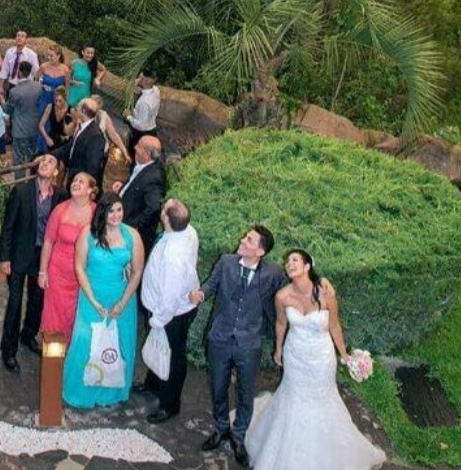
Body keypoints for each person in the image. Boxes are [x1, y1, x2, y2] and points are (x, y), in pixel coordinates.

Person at [246, 249, 383, 470]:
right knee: (293, 397)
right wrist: (278, 349)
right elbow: (281, 323)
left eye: (295, 260)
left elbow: (334, 325)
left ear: (307, 266)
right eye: (287, 260)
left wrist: (344, 355)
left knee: (322, 398)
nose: (289, 263)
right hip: (295, 355)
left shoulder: (326, 293)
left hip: (321, 357)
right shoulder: (282, 296)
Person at [189, 225, 294, 464]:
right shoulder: (226, 262)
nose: (242, 240)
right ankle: (220, 428)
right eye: (245, 237)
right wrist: (200, 294)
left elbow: (293, 290)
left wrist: (317, 284)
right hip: (219, 338)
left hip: (249, 343)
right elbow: (210, 284)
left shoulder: (273, 273)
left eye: (249, 240)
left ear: (260, 251)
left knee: (246, 393)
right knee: (218, 387)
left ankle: (238, 436)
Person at [63, 192, 144, 409]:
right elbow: (79, 267)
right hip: (92, 294)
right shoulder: (88, 233)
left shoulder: (132, 235)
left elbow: (137, 271)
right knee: (85, 341)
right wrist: (92, 300)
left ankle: (112, 391)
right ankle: (81, 391)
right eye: (111, 211)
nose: (116, 215)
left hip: (121, 296)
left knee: (119, 343)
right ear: (102, 212)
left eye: (119, 210)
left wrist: (122, 303)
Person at [0, 152, 66, 374]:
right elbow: (8, 226)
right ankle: (8, 350)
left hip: (43, 259)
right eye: (43, 160)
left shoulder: (61, 197)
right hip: (19, 255)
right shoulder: (21, 191)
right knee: (15, 303)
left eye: (50, 161)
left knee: (37, 301)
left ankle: (28, 336)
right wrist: (4, 257)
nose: (44, 163)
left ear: (56, 172)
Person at [139, 199, 200, 423]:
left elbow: (170, 296)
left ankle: (169, 404)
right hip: (169, 308)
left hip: (170, 315)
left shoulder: (173, 256)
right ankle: (153, 384)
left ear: (166, 218)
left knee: (172, 357)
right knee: (160, 350)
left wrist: (158, 320)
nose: (163, 205)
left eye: (165, 207)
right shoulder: (187, 231)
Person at [38, 169, 97, 338]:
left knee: (78, 318)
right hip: (58, 274)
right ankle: (53, 353)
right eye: (74, 180)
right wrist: (43, 271)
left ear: (90, 190)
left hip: (84, 276)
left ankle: (73, 352)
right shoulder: (60, 210)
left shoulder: (97, 213)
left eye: (81, 182)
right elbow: (48, 241)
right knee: (55, 319)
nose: (75, 183)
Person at [113, 135, 166, 258]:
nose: (135, 147)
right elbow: (137, 185)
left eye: (139, 146)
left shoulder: (154, 177)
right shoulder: (145, 166)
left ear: (147, 154)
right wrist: (123, 188)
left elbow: (153, 207)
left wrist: (134, 226)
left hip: (128, 231)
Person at [3, 60, 43, 168]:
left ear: (19, 72)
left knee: (18, 160)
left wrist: (2, 101)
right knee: (34, 158)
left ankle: (20, 179)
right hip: (35, 128)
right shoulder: (38, 87)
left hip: (20, 130)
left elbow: (7, 110)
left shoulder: (14, 91)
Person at [58, 97, 107, 186]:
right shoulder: (83, 127)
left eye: (78, 107)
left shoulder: (96, 137)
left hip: (80, 183)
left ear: (83, 111)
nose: (76, 110)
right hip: (73, 176)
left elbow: (93, 168)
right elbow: (70, 147)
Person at [35, 45, 68, 148]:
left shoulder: (65, 69)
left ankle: (52, 147)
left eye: (51, 55)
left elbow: (67, 88)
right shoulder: (43, 67)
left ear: (58, 56)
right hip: (45, 98)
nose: (49, 58)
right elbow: (36, 80)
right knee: (43, 123)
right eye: (48, 55)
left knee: (54, 124)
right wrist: (42, 86)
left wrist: (64, 102)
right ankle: (40, 148)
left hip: (57, 101)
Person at [128, 67, 161, 156]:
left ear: (145, 81)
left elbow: (141, 126)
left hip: (141, 134)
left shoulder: (144, 102)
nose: (137, 79)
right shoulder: (156, 90)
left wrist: (129, 117)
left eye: (140, 78)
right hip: (152, 129)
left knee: (137, 154)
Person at [0, 30, 39, 98]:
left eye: (22, 36)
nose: (19, 38)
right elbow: (4, 70)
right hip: (12, 86)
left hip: (26, 87)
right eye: (18, 35)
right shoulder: (9, 52)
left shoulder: (32, 55)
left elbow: (36, 73)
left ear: (26, 40)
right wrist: (0, 86)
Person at [38, 86, 73, 155]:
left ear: (65, 99)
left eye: (60, 101)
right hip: (52, 140)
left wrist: (69, 136)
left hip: (65, 143)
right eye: (55, 100)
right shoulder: (50, 107)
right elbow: (41, 125)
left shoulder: (71, 110)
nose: (57, 103)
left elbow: (77, 126)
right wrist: (47, 138)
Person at [66, 43, 103, 109]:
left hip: (85, 97)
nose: (90, 55)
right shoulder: (74, 63)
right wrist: (74, 82)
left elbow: (103, 70)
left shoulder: (94, 63)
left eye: (92, 53)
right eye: (88, 53)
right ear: (82, 52)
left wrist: (97, 79)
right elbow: (66, 78)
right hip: (72, 95)